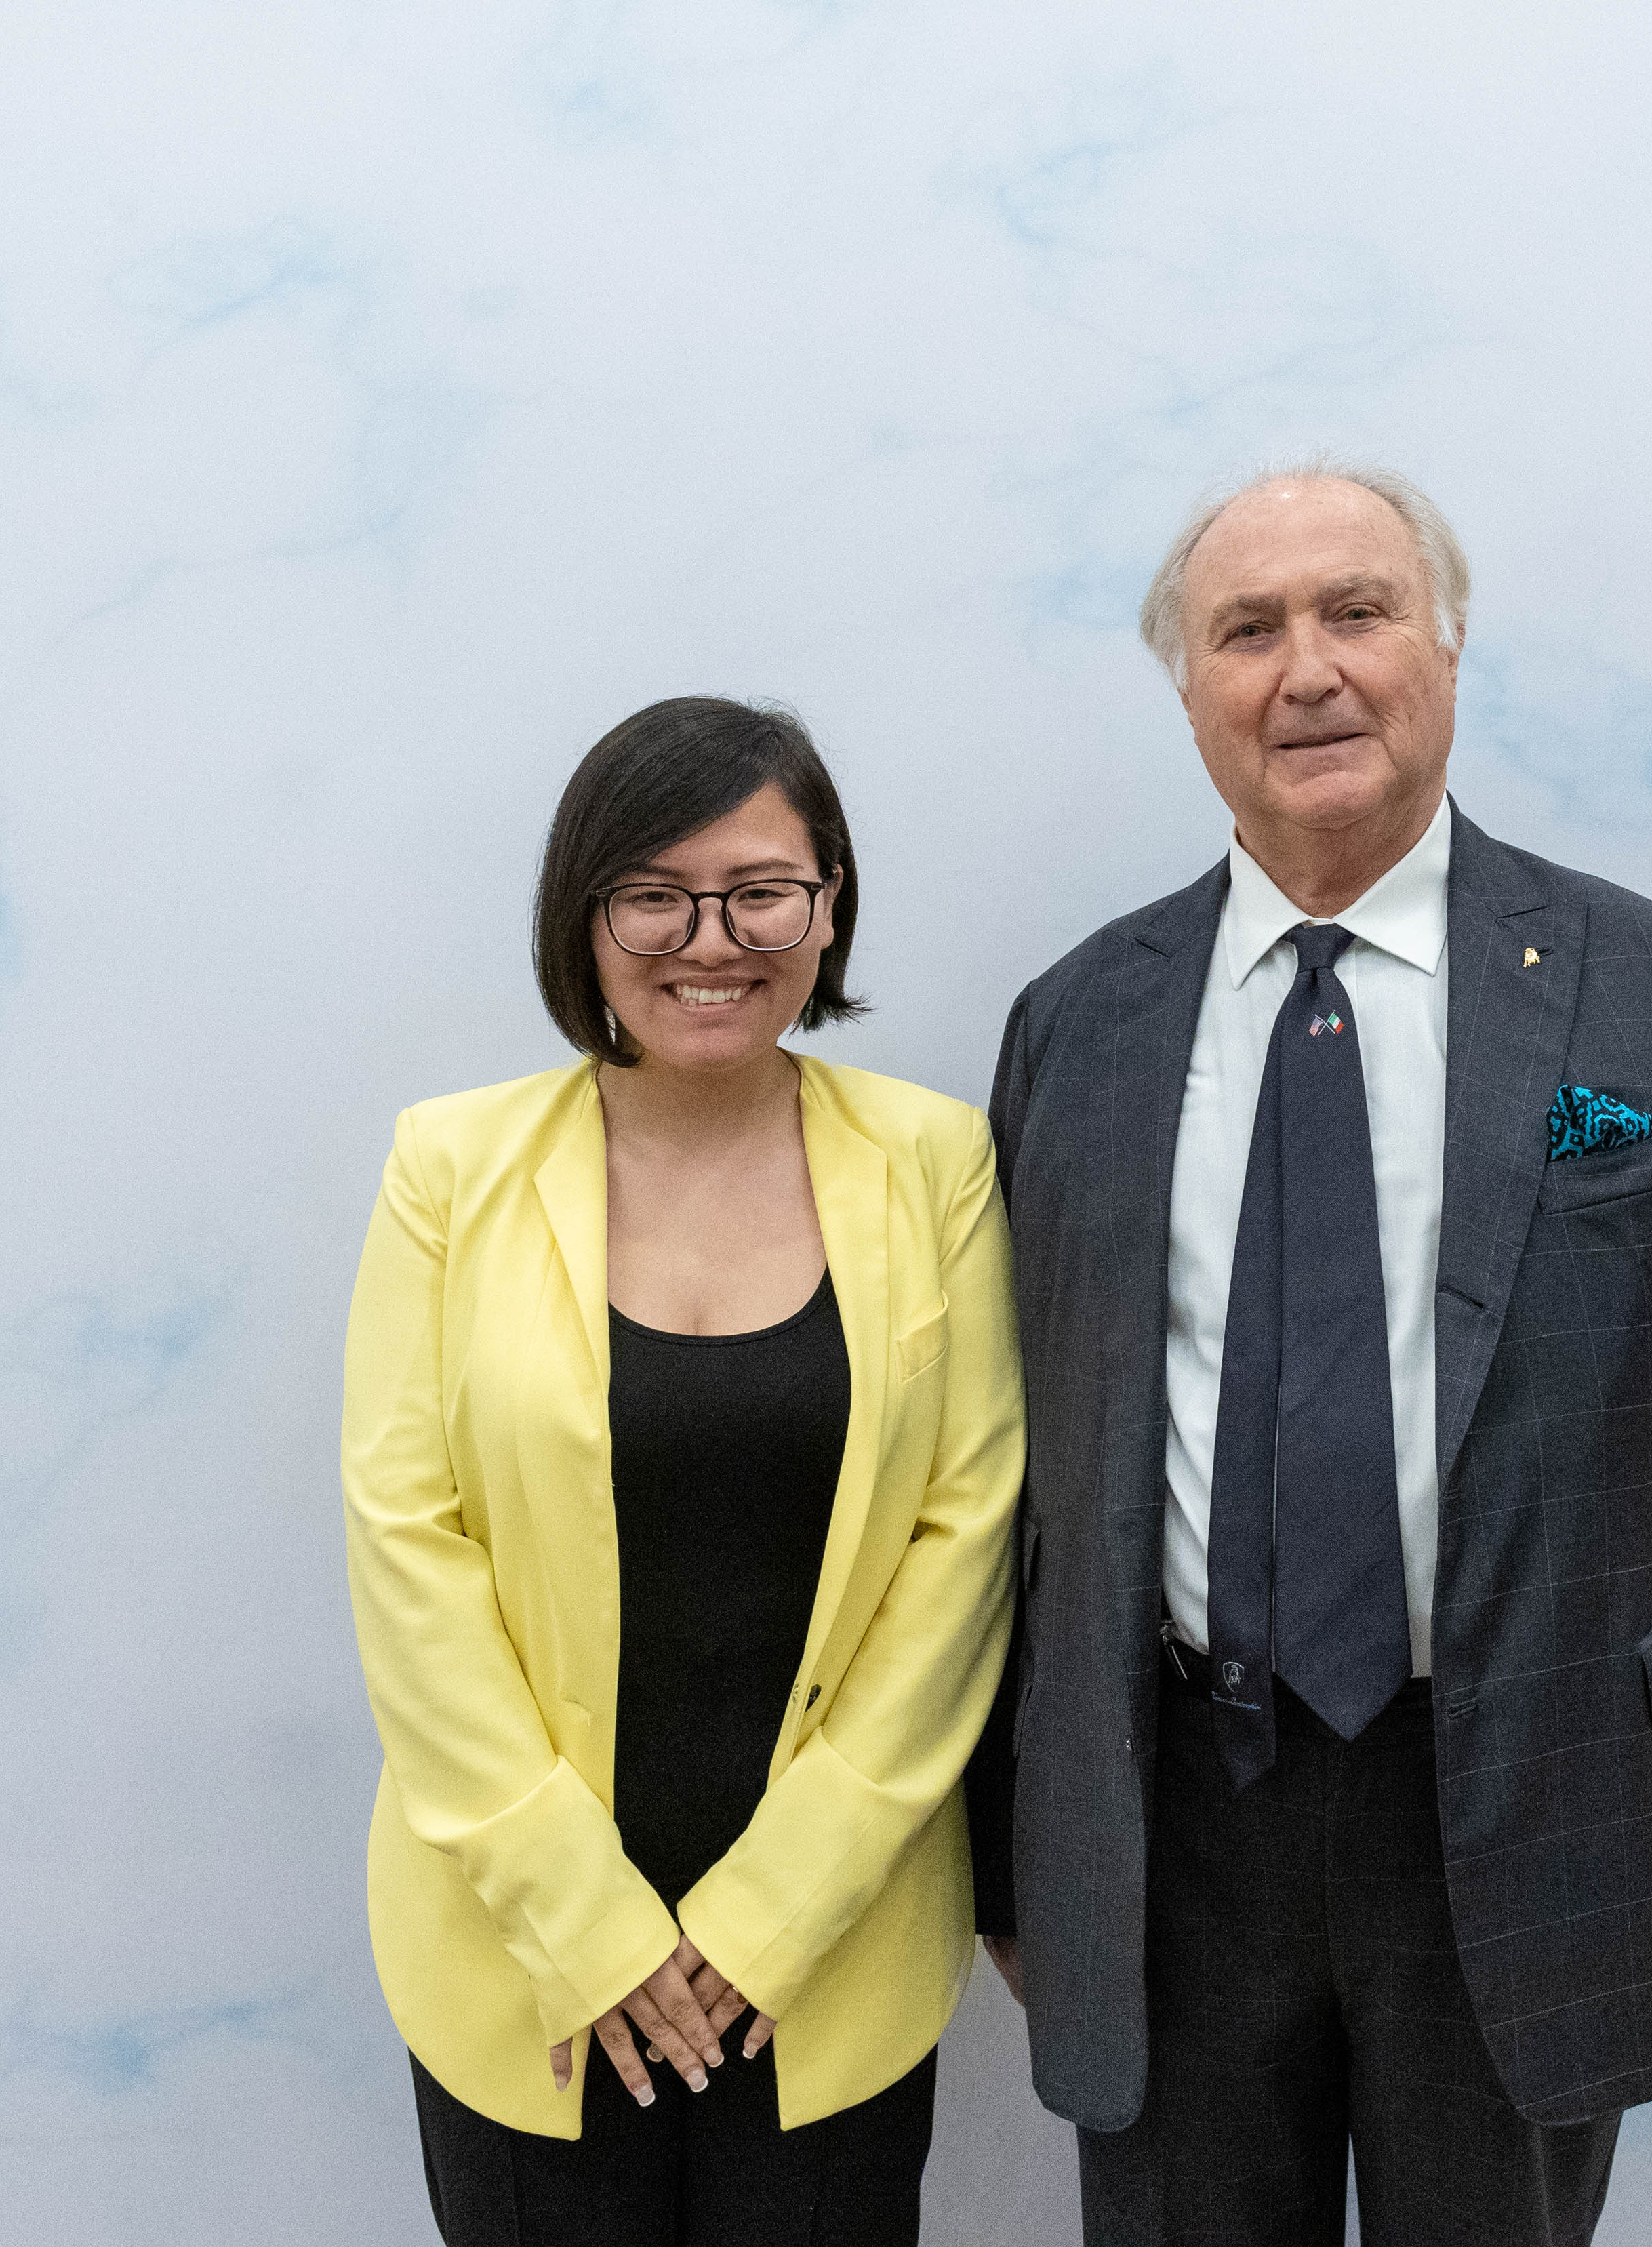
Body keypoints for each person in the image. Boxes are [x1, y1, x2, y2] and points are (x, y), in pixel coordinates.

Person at [966, 464, 1652, 2246]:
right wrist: (1018, 1852)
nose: (1306, 668)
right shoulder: (1077, 1022)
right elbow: (1007, 1479)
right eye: (1248, 629)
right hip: (1172, 1830)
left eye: (1356, 611)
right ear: (1189, 693)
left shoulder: (1638, 976)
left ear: (1445, 650)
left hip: (1536, 1809)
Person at [340, 697, 1022, 2246]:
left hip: (831, 1944)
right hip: (520, 1953)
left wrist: (778, 1910)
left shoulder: (936, 1161)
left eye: (761, 890)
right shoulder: (449, 1166)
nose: (710, 940)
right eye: (652, 895)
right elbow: (407, 1545)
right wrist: (582, 1919)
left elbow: (965, 1537)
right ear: (582, 918)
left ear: (829, 904)